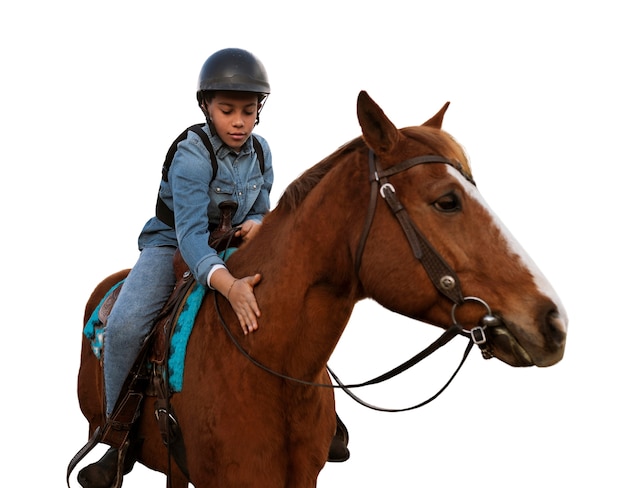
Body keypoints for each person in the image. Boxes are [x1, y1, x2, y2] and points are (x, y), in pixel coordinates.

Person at [77, 47, 348, 488]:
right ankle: (118, 436)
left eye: (248, 110)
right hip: (174, 247)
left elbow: (262, 208)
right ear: (206, 107)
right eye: (227, 111)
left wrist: (257, 227)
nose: (239, 121)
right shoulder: (191, 156)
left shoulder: (262, 152)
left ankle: (320, 416)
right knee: (126, 326)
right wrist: (229, 286)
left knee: (296, 302)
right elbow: (189, 238)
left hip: (230, 245)